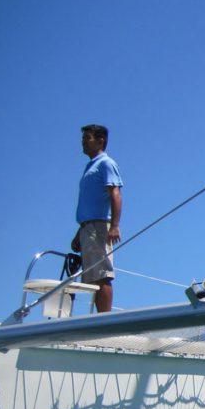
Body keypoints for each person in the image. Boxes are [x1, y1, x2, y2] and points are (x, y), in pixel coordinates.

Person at [71, 124, 123, 312]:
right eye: (83, 139)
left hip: (99, 227)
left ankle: (104, 321)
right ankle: (99, 319)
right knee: (93, 277)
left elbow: (115, 193)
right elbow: (90, 205)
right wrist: (80, 232)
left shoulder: (105, 163)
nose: (83, 143)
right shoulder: (90, 166)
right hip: (88, 227)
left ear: (100, 141)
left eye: (87, 139)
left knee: (102, 276)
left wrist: (115, 225)